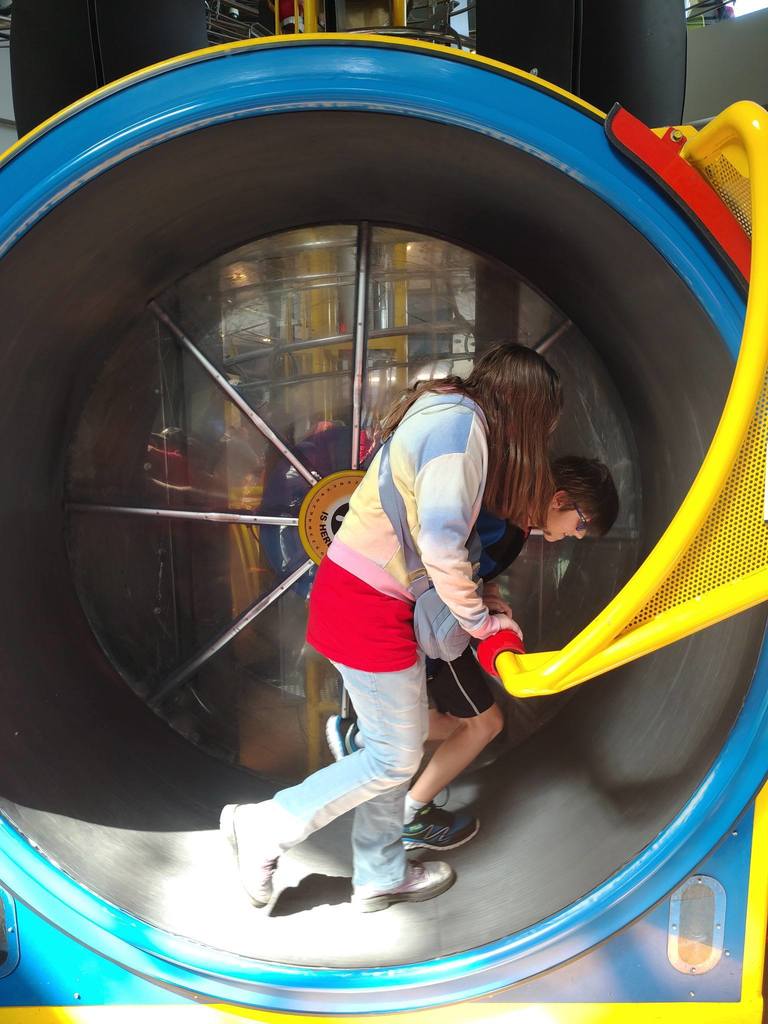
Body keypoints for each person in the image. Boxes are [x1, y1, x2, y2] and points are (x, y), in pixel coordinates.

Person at [220, 343, 562, 913]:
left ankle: (379, 874)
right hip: (368, 604)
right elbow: (442, 543)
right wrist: (481, 624)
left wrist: (483, 608)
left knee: (388, 753)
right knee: (392, 758)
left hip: (363, 597)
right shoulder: (462, 430)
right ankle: (266, 825)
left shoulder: (448, 412)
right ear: (525, 405)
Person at [326, 456, 620, 850]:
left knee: (443, 722)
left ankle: (364, 737)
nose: (579, 536)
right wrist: (483, 622)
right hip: (431, 626)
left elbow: (475, 569)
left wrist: (490, 596)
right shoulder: (500, 518)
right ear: (560, 499)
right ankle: (407, 815)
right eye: (581, 523)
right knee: (485, 725)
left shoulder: (514, 518)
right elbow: (444, 564)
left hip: (430, 624)